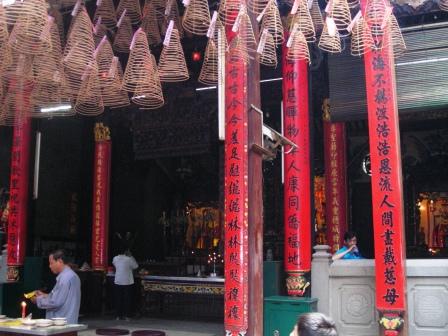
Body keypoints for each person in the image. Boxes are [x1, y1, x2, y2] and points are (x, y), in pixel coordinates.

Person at [32, 249, 81, 324]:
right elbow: (63, 297)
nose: (50, 266)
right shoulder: (73, 275)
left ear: (60, 261)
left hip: (61, 323)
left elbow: (56, 302)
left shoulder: (65, 278)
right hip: (70, 320)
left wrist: (38, 300)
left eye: (51, 263)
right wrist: (45, 295)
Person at [112, 247, 138, 321]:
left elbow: (115, 265)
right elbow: (136, 266)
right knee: (127, 299)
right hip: (127, 281)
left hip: (118, 280)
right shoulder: (129, 259)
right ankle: (127, 316)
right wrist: (131, 256)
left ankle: (118, 316)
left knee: (118, 299)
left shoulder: (115, 258)